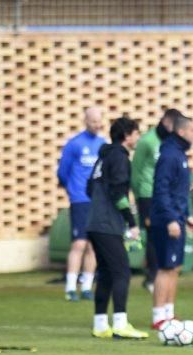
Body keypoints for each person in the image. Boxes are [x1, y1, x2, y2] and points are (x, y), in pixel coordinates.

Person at [86, 117, 148, 340]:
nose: (137, 138)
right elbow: (119, 194)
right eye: (136, 133)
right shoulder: (120, 158)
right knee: (122, 271)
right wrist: (131, 223)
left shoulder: (103, 157)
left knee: (106, 274)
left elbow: (88, 188)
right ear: (127, 135)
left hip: (94, 221)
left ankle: (100, 324)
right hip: (107, 224)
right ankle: (120, 323)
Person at [149, 114, 193, 329]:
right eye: (192, 131)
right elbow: (161, 190)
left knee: (175, 267)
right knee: (165, 267)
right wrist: (170, 219)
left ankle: (169, 313)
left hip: (177, 217)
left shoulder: (179, 154)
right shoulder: (169, 155)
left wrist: (186, 216)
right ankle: (158, 316)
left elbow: (179, 191)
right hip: (167, 220)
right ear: (182, 131)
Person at [131, 108, 183, 293]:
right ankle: (152, 276)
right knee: (153, 236)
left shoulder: (172, 143)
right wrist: (139, 194)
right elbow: (136, 170)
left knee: (166, 234)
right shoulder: (147, 141)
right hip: (147, 194)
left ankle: (164, 271)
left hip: (165, 195)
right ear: (165, 122)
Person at [57, 107, 106, 301]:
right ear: (86, 121)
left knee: (93, 246)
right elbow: (62, 171)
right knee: (79, 243)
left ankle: (87, 286)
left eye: (99, 121)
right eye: (93, 121)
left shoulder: (103, 144)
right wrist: (73, 190)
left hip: (97, 201)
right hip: (80, 199)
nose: (97, 125)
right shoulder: (74, 144)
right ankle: (70, 287)